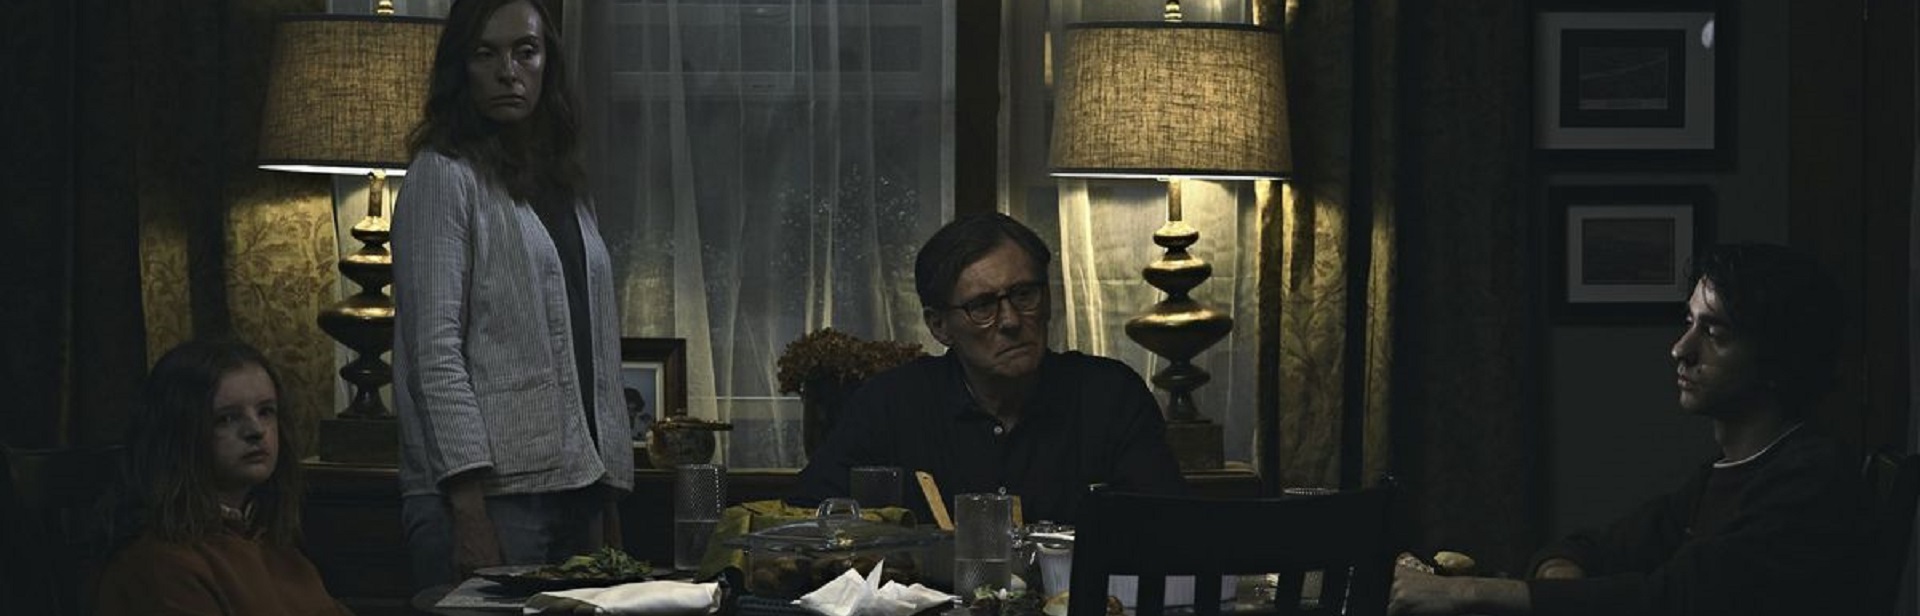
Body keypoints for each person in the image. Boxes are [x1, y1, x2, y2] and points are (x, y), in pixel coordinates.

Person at [1388, 243, 1868, 616]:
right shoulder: (1717, 479)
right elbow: (1589, 548)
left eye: (1714, 333)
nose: (1680, 349)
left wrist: (1464, 593)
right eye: (1689, 322)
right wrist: (1565, 584)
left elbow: (1671, 601)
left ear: (1778, 360)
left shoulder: (1811, 480)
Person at [392, 0, 631, 590]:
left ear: (548, 62)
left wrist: (606, 492)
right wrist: (468, 509)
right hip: (489, 498)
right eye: (486, 53)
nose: (508, 72)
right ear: (462, 67)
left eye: (526, 51)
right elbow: (433, 353)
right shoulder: (443, 174)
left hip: (575, 488)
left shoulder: (563, 183)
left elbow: (592, 350)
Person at [794, 213, 1186, 524]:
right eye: (982, 306)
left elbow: (1169, 531)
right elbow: (806, 518)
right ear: (939, 326)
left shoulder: (1110, 396)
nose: (1011, 320)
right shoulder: (892, 404)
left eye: (1024, 294)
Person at [95, 339, 352, 615]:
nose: (256, 430)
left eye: (265, 411)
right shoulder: (160, 565)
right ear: (180, 433)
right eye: (226, 418)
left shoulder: (271, 543)